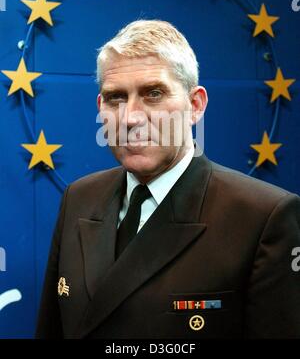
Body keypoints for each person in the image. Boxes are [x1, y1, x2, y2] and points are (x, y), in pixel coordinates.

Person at [36, 20, 300, 339]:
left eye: (154, 93)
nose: (131, 117)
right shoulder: (79, 198)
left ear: (195, 105)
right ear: (100, 108)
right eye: (115, 98)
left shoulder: (263, 217)